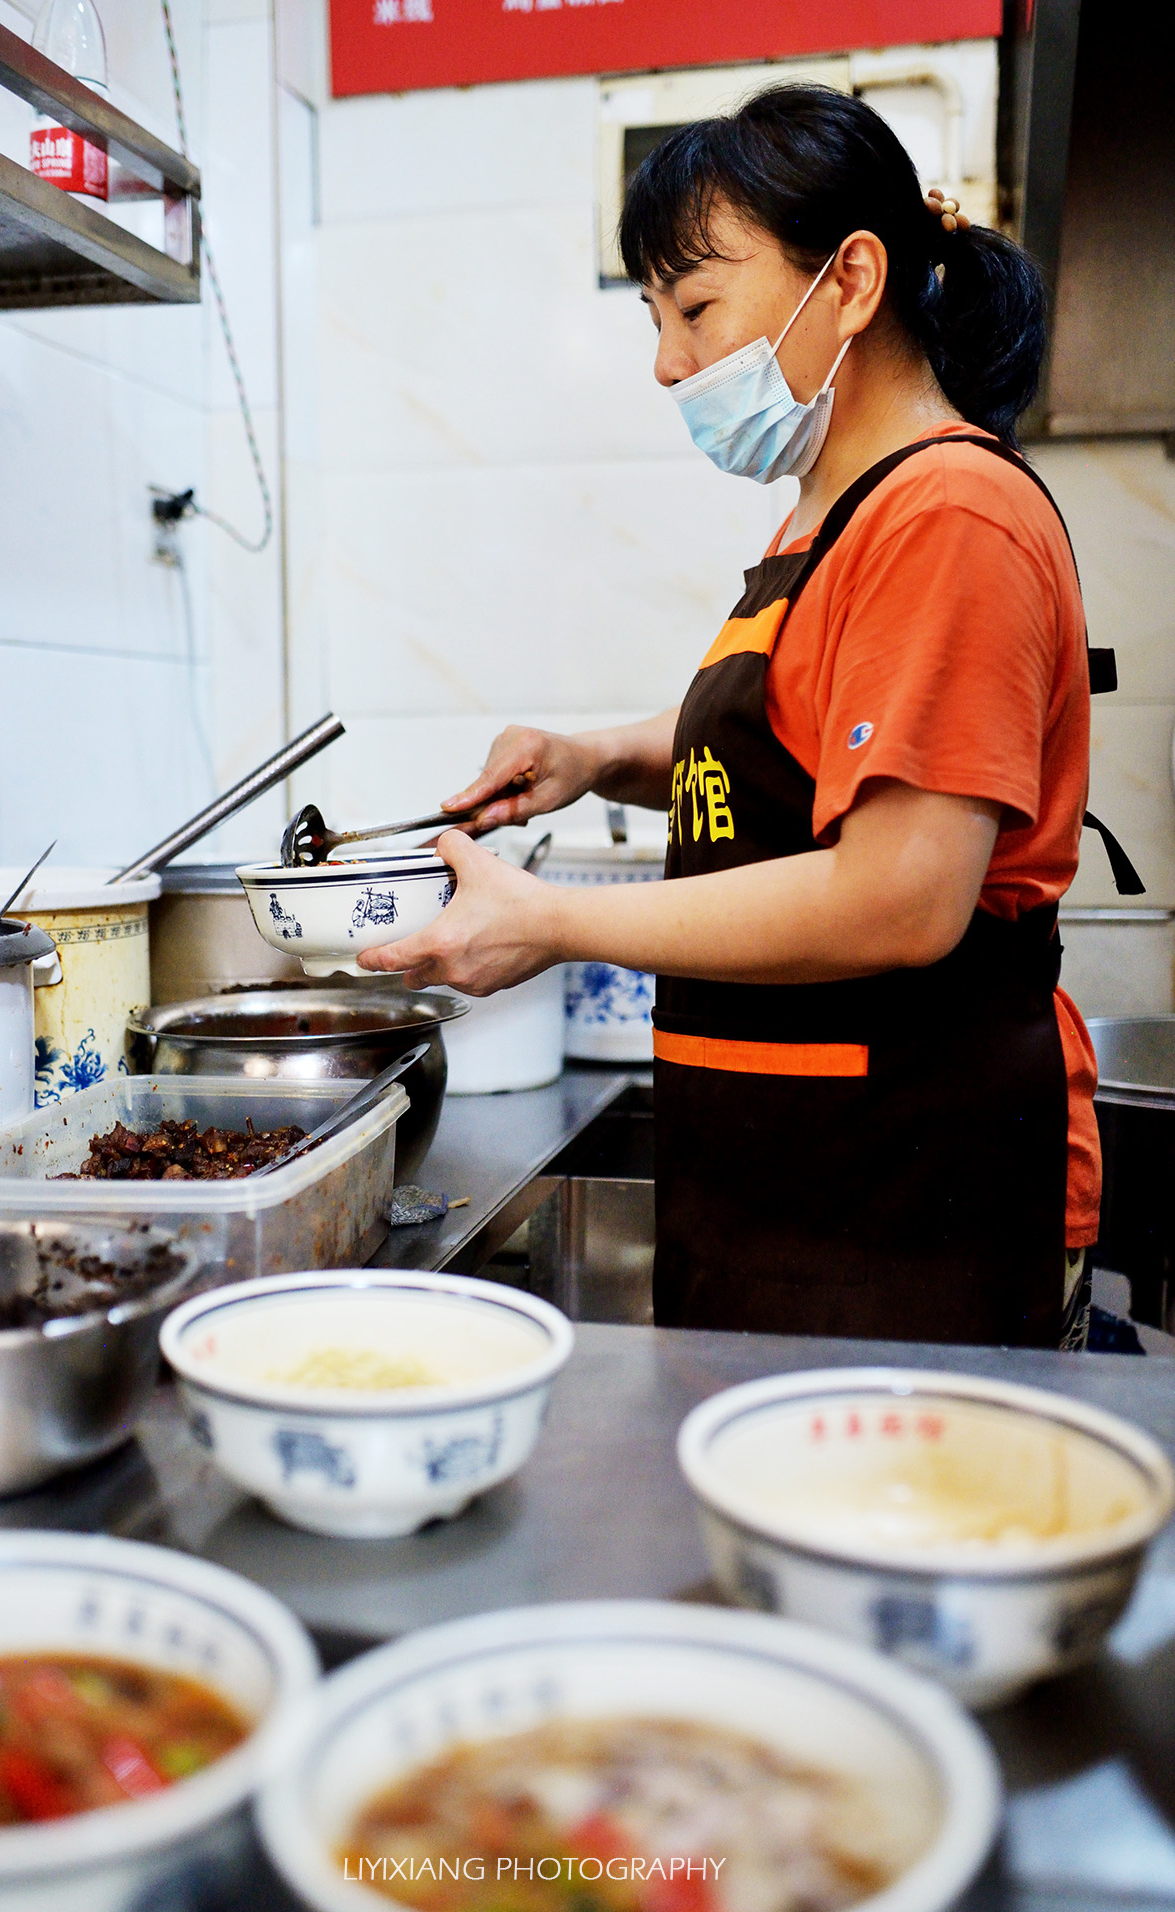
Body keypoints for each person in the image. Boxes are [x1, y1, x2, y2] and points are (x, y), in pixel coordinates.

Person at [359, 84, 1134, 1348]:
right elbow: (790, 728)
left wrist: (555, 922)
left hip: (915, 1187)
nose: (668, 363)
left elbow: (901, 894)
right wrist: (592, 755)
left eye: (696, 308)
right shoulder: (830, 517)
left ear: (851, 280)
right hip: (790, 1166)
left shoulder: (949, 514)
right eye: (656, 318)